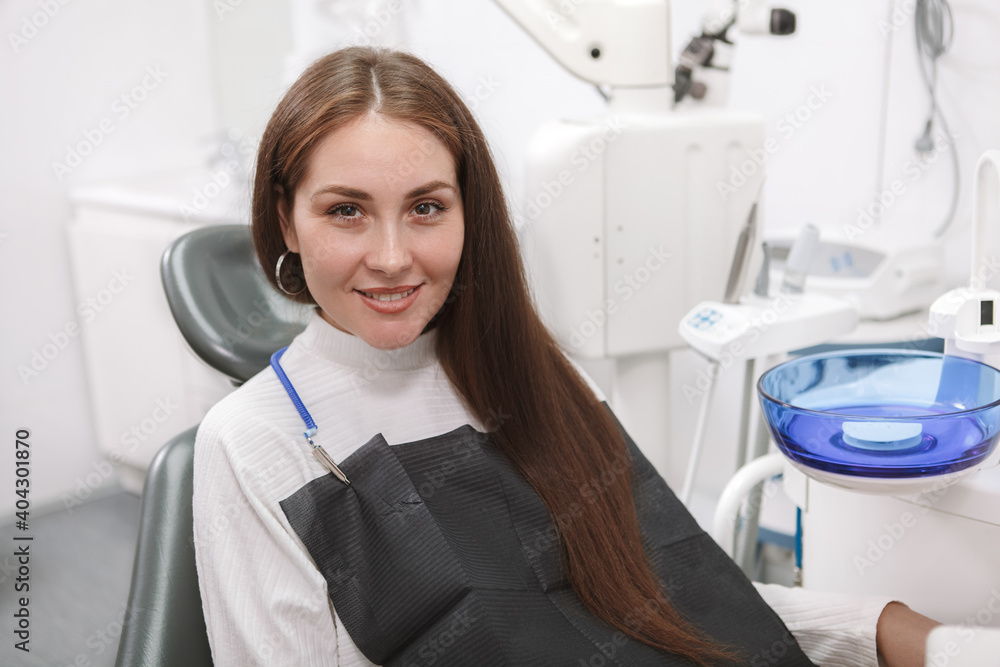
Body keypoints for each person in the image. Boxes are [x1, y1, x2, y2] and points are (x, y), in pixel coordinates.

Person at [192, 46, 939, 667]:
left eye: (426, 207)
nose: (392, 257)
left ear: (468, 214)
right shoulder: (254, 444)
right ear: (285, 218)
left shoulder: (538, 379)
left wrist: (884, 628)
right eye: (345, 210)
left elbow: (684, 595)